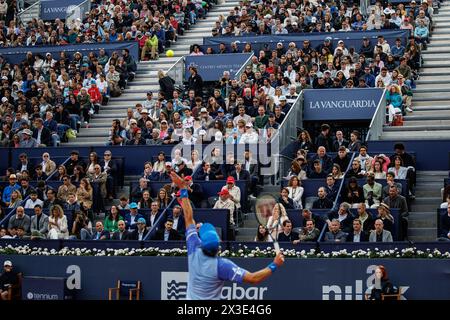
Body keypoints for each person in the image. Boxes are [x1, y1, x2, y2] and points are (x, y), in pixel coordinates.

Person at [169, 171, 284, 299]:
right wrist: (274, 264)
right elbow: (253, 278)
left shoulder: (194, 248)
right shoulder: (222, 265)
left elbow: (189, 218)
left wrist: (183, 190)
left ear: (201, 244)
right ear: (218, 247)